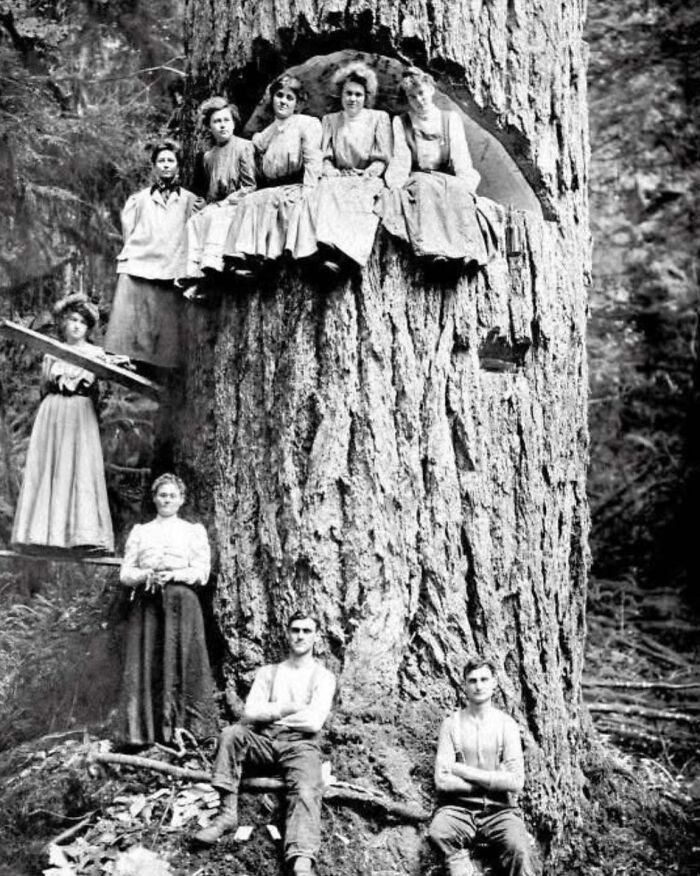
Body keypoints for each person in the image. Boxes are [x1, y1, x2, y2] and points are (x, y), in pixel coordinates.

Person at [194, 610, 336, 876]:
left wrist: (272, 711)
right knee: (231, 735)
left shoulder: (323, 677)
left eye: (306, 631)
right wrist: (292, 708)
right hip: (264, 741)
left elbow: (314, 723)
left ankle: (301, 856)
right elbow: (250, 713)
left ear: (316, 637)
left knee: (306, 789)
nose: (300, 636)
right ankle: (226, 815)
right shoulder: (269, 673)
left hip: (301, 746)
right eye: (295, 630)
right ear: (287, 634)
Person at [118, 473, 218, 747]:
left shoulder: (192, 531)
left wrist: (174, 575)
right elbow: (126, 573)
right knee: (150, 661)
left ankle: (188, 729)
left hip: (182, 604)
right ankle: (145, 733)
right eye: (162, 495)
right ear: (154, 498)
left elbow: (202, 573)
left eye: (173, 495)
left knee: (183, 659)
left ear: (181, 499)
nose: (167, 500)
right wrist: (145, 575)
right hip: (148, 603)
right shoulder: (141, 532)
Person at [11, 294, 114, 554]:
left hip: (80, 411)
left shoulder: (96, 354)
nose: (77, 326)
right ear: (64, 325)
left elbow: (102, 389)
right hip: (53, 410)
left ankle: (82, 537)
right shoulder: (52, 352)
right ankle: (40, 535)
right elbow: (45, 386)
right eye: (72, 320)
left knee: (79, 466)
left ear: (89, 328)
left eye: (82, 322)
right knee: (50, 465)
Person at [428, 658, 538, 876]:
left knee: (519, 848)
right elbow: (442, 781)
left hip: (500, 810)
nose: (478, 685)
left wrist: (463, 771)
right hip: (459, 809)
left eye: (484, 679)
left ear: (494, 683)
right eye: (472, 680)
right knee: (438, 832)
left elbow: (516, 781)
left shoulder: (506, 725)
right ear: (464, 686)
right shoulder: (451, 724)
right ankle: (465, 871)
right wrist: (494, 780)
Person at [378, 67, 495, 268]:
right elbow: (401, 158)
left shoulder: (450, 119)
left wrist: (467, 183)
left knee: (458, 190)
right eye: (412, 97)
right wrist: (395, 185)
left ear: (431, 90)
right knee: (424, 188)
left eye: (422, 93)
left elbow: (460, 155)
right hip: (419, 175)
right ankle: (434, 252)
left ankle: (465, 253)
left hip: (445, 176)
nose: (419, 101)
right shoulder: (401, 122)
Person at [105, 140, 202, 376]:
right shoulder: (139, 200)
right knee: (135, 306)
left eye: (171, 161)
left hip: (172, 262)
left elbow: (195, 233)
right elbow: (130, 232)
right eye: (161, 161)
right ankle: (128, 355)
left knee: (165, 315)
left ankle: (161, 365)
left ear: (178, 166)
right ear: (154, 166)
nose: (166, 165)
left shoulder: (190, 200)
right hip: (143, 258)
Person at [293, 60, 392, 274]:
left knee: (361, 196)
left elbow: (382, 158)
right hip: (338, 176)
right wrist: (332, 170)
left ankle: (347, 256)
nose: (352, 99)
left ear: (366, 97)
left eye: (358, 94)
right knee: (326, 190)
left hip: (366, 176)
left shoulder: (378, 119)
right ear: (341, 94)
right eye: (348, 93)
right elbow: (326, 156)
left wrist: (368, 172)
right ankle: (324, 249)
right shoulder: (330, 120)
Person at [223, 75, 322, 271]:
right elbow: (256, 144)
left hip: (297, 185)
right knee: (249, 200)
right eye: (279, 95)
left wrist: (309, 190)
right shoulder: (272, 127)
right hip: (275, 186)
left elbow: (312, 158)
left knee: (270, 201)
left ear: (297, 103)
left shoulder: (306, 123)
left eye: (289, 98)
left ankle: (263, 259)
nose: (283, 101)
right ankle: (240, 258)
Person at [183, 97, 257, 278]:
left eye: (226, 120)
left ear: (233, 123)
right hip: (218, 203)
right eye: (217, 122)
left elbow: (250, 185)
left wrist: (225, 202)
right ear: (209, 127)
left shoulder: (244, 147)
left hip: (240, 202)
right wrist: (204, 203)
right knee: (194, 221)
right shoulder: (208, 157)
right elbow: (212, 192)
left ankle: (216, 264)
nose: (222, 125)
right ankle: (195, 274)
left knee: (218, 215)